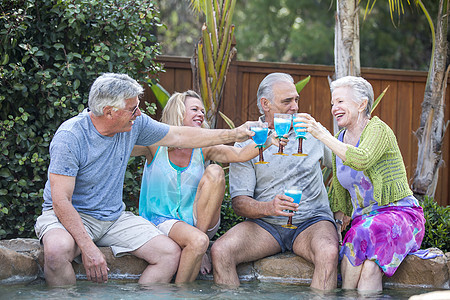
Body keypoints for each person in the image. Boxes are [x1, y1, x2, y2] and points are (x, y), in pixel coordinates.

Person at [34, 73, 255, 287]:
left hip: (113, 218)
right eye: (133, 109)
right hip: (71, 215)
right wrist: (88, 247)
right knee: (55, 252)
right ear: (109, 112)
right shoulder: (71, 136)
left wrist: (235, 134)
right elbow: (60, 201)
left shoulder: (134, 125)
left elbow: (180, 135)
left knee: (169, 254)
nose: (139, 113)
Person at [132, 90, 282, 283]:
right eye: (194, 109)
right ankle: (184, 288)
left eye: (202, 111)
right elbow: (125, 144)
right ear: (178, 112)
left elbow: (239, 155)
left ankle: (199, 244)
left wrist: (269, 141)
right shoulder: (155, 145)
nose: (201, 114)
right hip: (161, 219)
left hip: (198, 219)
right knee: (198, 242)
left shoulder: (204, 148)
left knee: (215, 172)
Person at [294, 76, 425, 292]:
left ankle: (343, 295)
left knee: (361, 234)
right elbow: (339, 194)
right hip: (365, 222)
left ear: (362, 104)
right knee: (370, 270)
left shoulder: (377, 130)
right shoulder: (340, 139)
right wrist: (337, 226)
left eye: (340, 102)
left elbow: (362, 158)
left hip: (400, 214)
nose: (334, 108)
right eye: (332, 104)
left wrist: (323, 135)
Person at [210, 73, 339, 290]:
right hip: (266, 226)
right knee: (221, 251)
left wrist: (342, 209)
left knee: (328, 252)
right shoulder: (249, 140)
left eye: (296, 99)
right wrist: (270, 207)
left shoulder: (311, 130)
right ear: (265, 104)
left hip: (311, 221)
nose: (295, 107)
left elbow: (344, 167)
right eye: (287, 101)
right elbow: (239, 203)